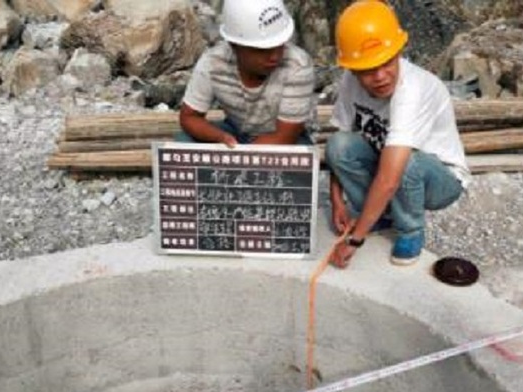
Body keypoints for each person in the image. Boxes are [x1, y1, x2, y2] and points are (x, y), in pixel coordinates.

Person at [326, 0, 471, 268]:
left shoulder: (413, 90)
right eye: (368, 70)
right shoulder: (349, 81)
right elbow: (339, 141)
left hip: (441, 181)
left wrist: (355, 241)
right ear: (353, 69)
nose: (380, 76)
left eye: (387, 62)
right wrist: (336, 201)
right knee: (338, 146)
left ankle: (410, 230)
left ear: (399, 52)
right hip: (392, 164)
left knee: (407, 164)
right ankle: (380, 216)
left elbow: (390, 178)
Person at [176, 0, 315, 147]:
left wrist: (239, 156)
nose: (274, 56)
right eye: (262, 50)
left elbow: (285, 137)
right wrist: (222, 137)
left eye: (279, 46)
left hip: (286, 138)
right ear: (234, 46)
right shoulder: (213, 62)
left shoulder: (297, 65)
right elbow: (189, 117)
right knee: (184, 141)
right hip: (235, 130)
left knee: (299, 155)